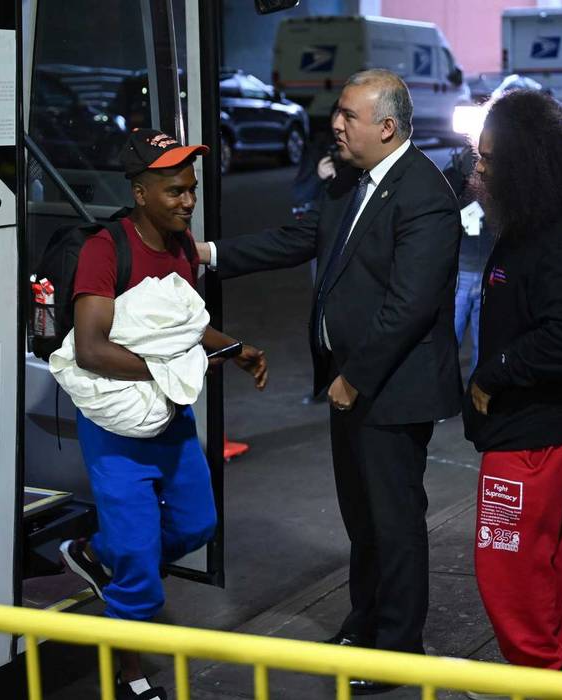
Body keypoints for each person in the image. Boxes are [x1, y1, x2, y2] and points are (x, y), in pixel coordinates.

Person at [196, 69, 462, 694]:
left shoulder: (424, 194)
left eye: (348, 115)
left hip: (391, 388)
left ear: (388, 127)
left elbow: (410, 304)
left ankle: (399, 651)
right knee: (362, 516)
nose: (334, 125)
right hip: (352, 383)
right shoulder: (350, 183)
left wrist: (355, 378)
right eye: (338, 113)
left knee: (394, 520)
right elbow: (298, 239)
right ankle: (363, 623)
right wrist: (206, 254)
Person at [59, 129, 269, 700]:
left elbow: (186, 327)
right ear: (140, 191)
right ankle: (130, 675)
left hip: (170, 421)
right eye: (174, 191)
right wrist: (169, 372)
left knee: (197, 525)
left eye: (191, 190)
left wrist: (235, 348)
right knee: (140, 572)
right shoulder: (107, 250)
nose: (187, 201)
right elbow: (91, 348)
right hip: (117, 431)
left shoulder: (181, 246)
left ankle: (95, 554)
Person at [461, 89, 562, 686]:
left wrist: (493, 370)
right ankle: (545, 678)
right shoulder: (529, 218)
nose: (479, 168)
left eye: (490, 159)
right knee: (533, 556)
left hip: (538, 427)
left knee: (507, 564)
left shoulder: (557, 236)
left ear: (523, 164)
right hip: (529, 422)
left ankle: (539, 676)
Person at [442, 142, 494, 373]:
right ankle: (440, 395)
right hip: (462, 274)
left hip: (487, 275)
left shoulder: (498, 177)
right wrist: (459, 176)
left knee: (483, 345)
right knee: (448, 341)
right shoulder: (456, 177)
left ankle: (475, 395)